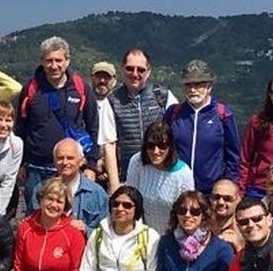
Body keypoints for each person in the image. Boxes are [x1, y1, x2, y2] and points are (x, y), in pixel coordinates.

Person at [14, 36, 99, 207]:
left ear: (67, 61)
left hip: (70, 169)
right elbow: (21, 127)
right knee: (36, 217)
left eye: (58, 60)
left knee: (70, 215)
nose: (54, 66)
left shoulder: (80, 88)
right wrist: (20, 164)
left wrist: (91, 164)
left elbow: (93, 126)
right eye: (49, 60)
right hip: (36, 170)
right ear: (42, 61)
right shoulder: (31, 89)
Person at [100, 48, 177, 189]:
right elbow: (109, 144)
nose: (135, 74)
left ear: (149, 71)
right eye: (130, 69)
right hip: (128, 177)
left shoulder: (163, 96)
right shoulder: (112, 101)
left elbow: (176, 136)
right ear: (122, 69)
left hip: (161, 176)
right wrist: (115, 185)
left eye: (140, 69)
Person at [164, 60, 240, 195]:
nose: (193, 90)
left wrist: (228, 184)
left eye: (198, 84)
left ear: (209, 87)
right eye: (188, 84)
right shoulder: (173, 113)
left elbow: (233, 156)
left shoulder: (223, 114)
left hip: (211, 192)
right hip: (177, 189)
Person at [125, 122, 194, 235]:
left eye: (162, 146)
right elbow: (131, 199)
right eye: (151, 146)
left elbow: (186, 213)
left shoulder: (184, 174)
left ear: (170, 146)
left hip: (173, 235)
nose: (156, 151)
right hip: (142, 233)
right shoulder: (137, 162)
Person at [29, 139, 108, 234]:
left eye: (70, 158)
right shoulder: (41, 189)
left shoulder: (97, 193)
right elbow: (31, 226)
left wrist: (85, 229)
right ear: (54, 161)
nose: (65, 162)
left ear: (81, 161)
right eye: (60, 158)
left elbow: (105, 233)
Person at [208, 178, 244, 252]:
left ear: (238, 200)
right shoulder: (202, 224)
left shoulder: (245, 227)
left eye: (227, 198)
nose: (221, 202)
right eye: (216, 197)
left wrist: (238, 246)